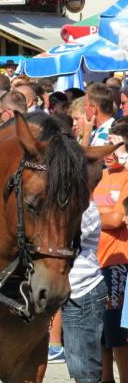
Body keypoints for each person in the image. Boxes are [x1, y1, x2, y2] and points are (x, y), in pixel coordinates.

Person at [62, 159, 107, 383]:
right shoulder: (80, 207)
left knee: (85, 366)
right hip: (78, 290)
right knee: (76, 361)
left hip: (84, 291)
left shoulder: (86, 211)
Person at [93, 123, 128, 383]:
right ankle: (106, 379)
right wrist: (107, 216)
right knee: (101, 330)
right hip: (94, 261)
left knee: (117, 330)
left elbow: (119, 219)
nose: (109, 151)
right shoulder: (99, 176)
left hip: (118, 261)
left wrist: (96, 216)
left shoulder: (126, 176)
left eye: (115, 145)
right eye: (107, 143)